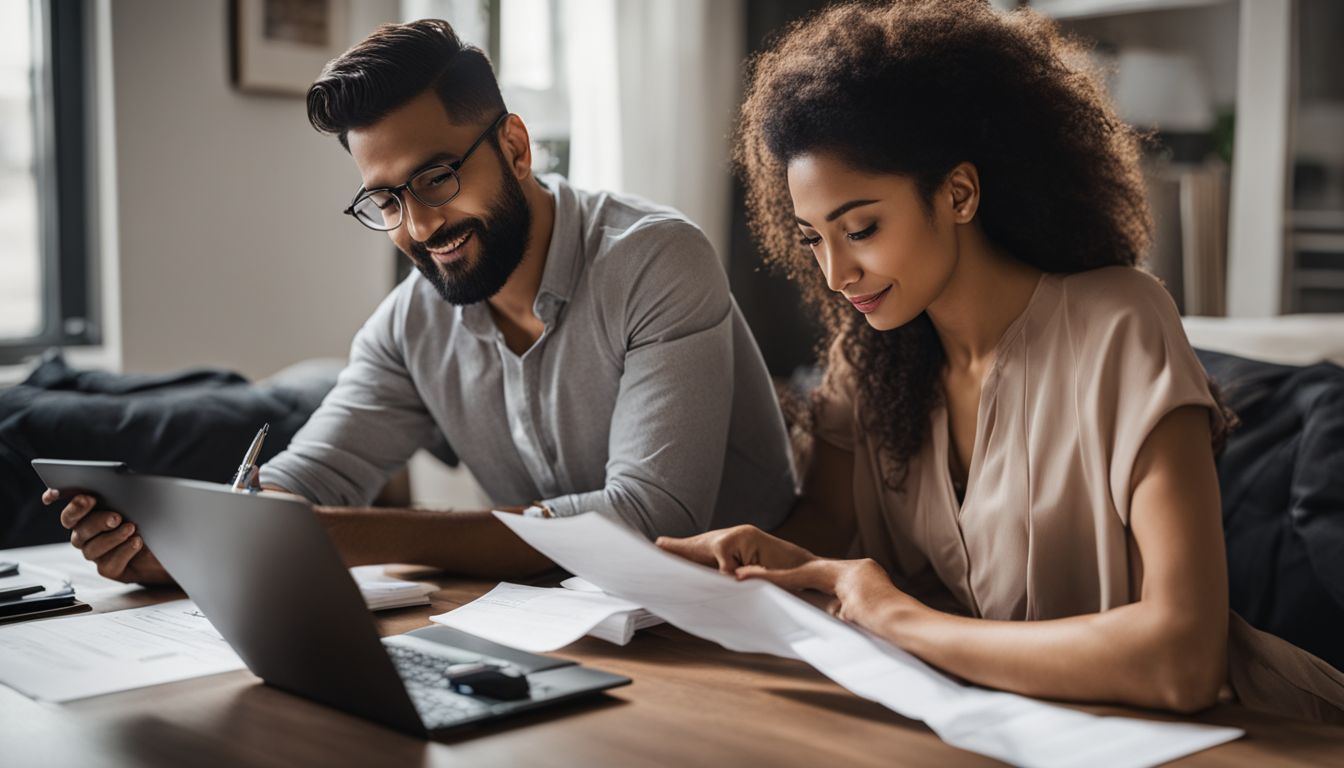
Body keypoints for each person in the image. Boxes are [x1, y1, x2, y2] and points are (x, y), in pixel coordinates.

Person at [657, 0, 1344, 724]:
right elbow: (826, 524)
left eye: (860, 228)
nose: (835, 274)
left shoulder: (1121, 323)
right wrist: (766, 556)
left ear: (958, 193)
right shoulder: (871, 356)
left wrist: (898, 617)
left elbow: (1185, 659)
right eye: (811, 239)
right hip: (990, 723)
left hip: (1227, 736)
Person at [46, 19, 795, 584]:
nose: (418, 225)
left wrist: (349, 536)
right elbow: (307, 480)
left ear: (516, 146)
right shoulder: (411, 324)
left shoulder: (657, 258)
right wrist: (182, 543)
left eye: (436, 178)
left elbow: (650, 520)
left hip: (758, 614)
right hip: (581, 624)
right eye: (385, 199)